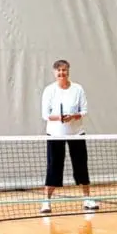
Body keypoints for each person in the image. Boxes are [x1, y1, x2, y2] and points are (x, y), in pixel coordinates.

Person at [40, 60, 99, 214]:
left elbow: (84, 111)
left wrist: (73, 116)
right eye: (58, 71)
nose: (61, 73)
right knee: (53, 167)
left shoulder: (78, 89)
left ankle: (87, 199)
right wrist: (59, 118)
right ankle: (46, 202)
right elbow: (45, 115)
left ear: (68, 71)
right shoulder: (49, 90)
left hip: (76, 134)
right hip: (55, 134)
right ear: (54, 73)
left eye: (64, 70)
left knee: (81, 166)